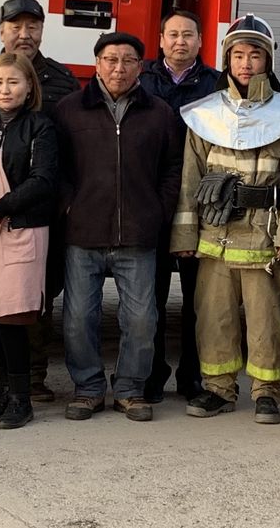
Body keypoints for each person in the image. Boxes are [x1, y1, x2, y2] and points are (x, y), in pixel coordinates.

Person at [170, 14, 280, 421]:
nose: (245, 63)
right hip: (216, 236)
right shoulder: (202, 115)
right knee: (215, 317)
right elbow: (189, 179)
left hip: (264, 238)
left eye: (254, 55)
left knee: (269, 319)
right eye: (237, 55)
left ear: (268, 61)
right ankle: (218, 389)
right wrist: (185, 235)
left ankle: (267, 392)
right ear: (227, 60)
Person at [51, 31, 184, 421]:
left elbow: (173, 168)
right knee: (78, 319)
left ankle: (130, 388)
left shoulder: (159, 113)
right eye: (110, 59)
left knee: (143, 319)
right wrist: (68, 206)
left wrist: (158, 211)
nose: (118, 68)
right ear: (96, 64)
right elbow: (55, 167)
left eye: (128, 61)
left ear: (140, 67)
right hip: (83, 233)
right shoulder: (70, 110)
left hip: (139, 235)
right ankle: (88, 388)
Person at [0, 0, 81, 403]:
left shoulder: (62, 81)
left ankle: (34, 375)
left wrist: (65, 201)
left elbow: (74, 149)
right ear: (1, 30)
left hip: (39, 210)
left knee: (36, 294)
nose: (24, 34)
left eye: (32, 26)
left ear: (42, 30)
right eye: (15, 26)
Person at [0, 53, 61, 430]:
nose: (6, 89)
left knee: (13, 316)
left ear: (30, 87)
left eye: (14, 82)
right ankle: (4, 391)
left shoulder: (41, 127)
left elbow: (42, 180)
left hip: (20, 229)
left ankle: (22, 398)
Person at [140, 8, 226, 405]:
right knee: (150, 299)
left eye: (188, 35)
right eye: (172, 34)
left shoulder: (216, 84)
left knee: (198, 300)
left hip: (201, 204)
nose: (180, 41)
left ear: (200, 41)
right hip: (153, 200)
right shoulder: (142, 81)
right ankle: (152, 374)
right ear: (160, 40)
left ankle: (192, 376)